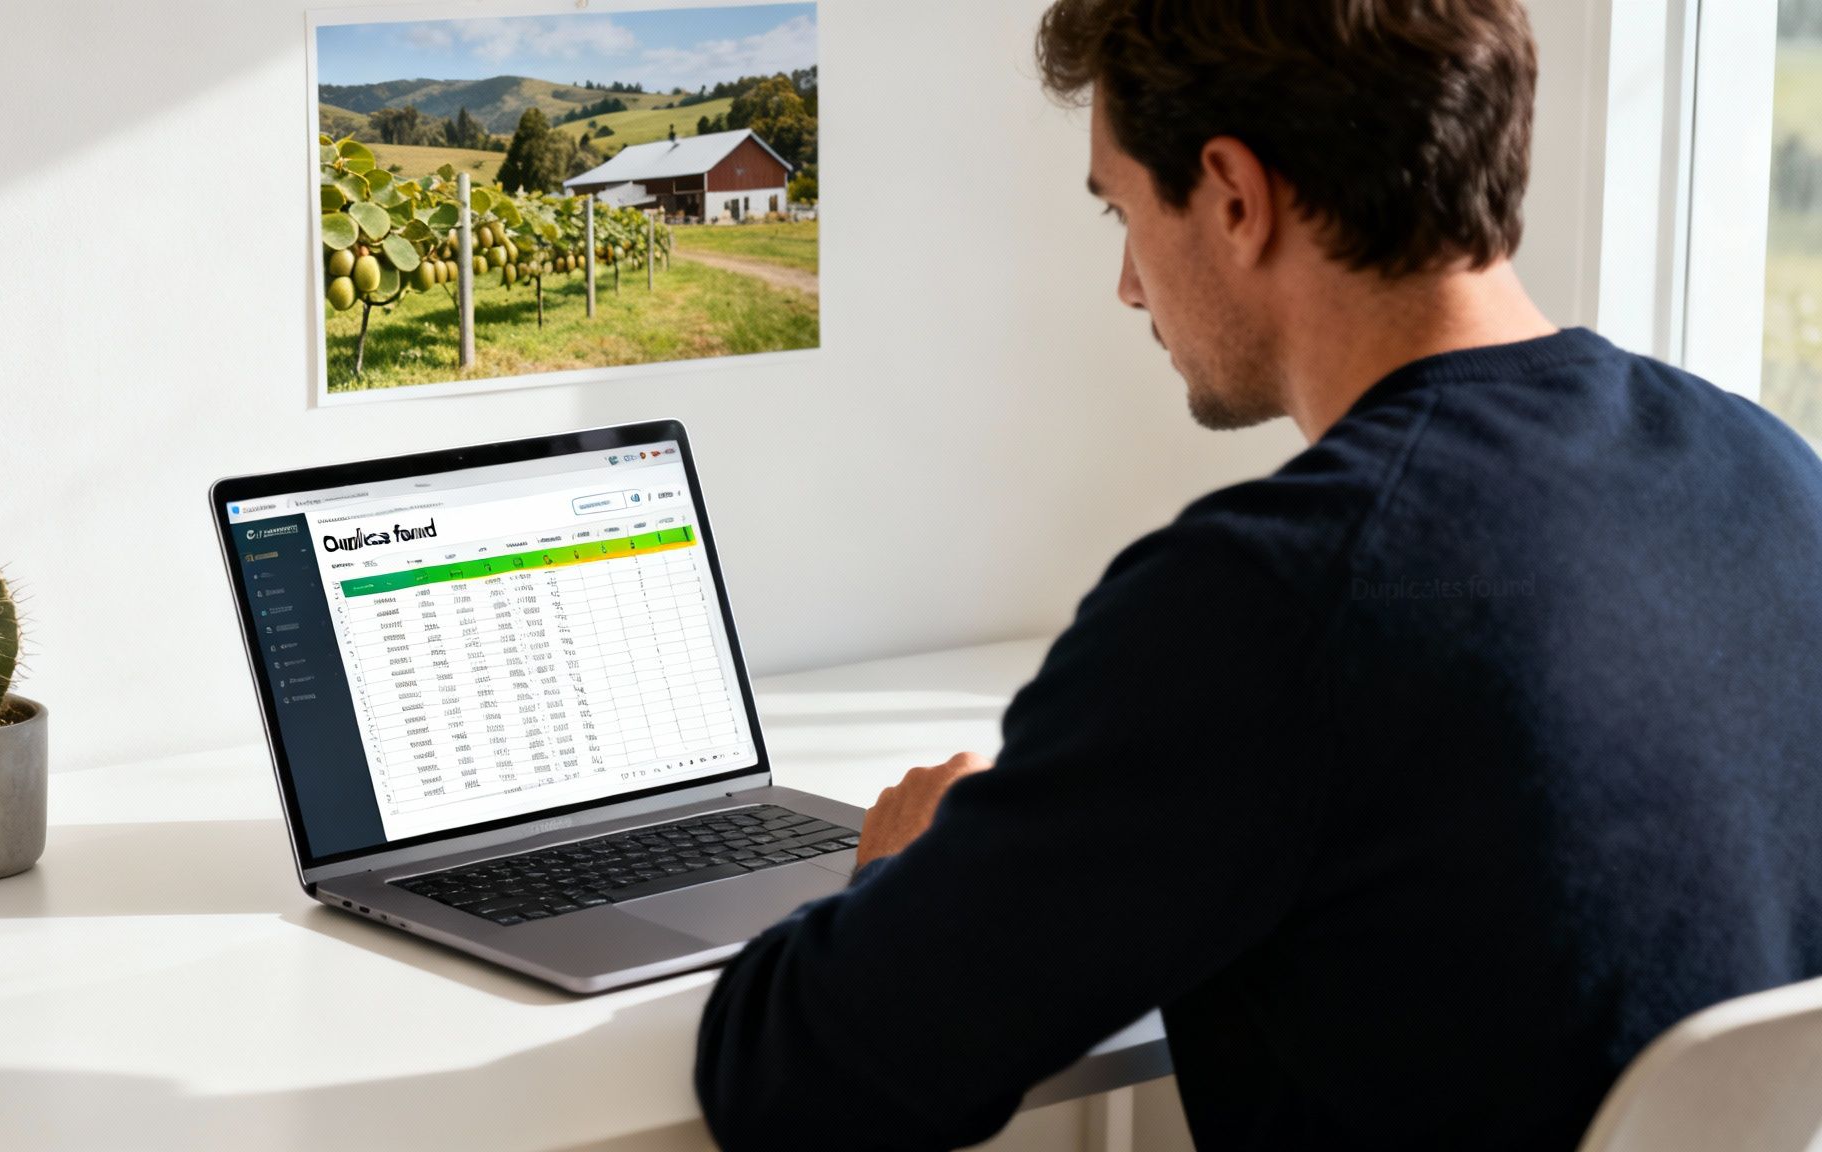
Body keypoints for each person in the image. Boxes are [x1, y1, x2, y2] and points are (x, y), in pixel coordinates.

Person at [695, 0, 1822, 1148]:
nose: (1128, 286)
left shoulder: (1270, 599)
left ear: (1233, 196)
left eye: (1122, 212)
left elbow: (793, 1078)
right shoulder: (1774, 476)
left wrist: (899, 874)